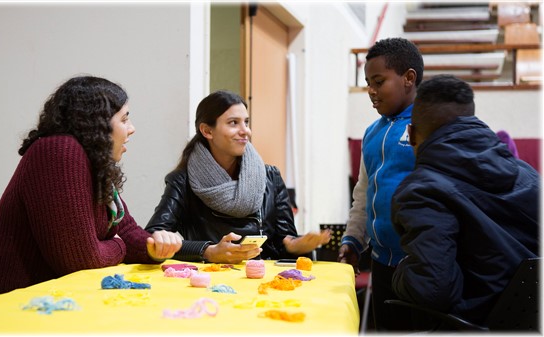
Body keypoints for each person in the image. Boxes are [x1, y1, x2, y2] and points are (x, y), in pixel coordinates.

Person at [0, 76, 182, 297]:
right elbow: (81, 260)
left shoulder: (92, 163)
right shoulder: (59, 152)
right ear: (98, 122)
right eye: (124, 119)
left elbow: (124, 229)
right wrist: (120, 247)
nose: (132, 129)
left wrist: (153, 246)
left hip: (48, 303)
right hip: (8, 308)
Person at [391, 74, 540, 326]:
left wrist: (400, 273)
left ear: (411, 134)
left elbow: (432, 290)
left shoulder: (420, 191)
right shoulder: (528, 174)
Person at [145, 90, 330, 264]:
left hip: (264, 283)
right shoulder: (183, 181)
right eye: (234, 123)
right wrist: (208, 251)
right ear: (207, 131)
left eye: (246, 122)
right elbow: (151, 238)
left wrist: (297, 245)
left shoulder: (270, 177)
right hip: (208, 285)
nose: (245, 131)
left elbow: (284, 242)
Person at [337, 37, 423, 330]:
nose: (371, 91)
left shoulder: (431, 125)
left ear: (408, 78)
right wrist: (352, 240)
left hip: (422, 264)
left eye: (379, 81)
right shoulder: (372, 133)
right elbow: (363, 195)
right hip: (381, 263)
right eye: (367, 83)